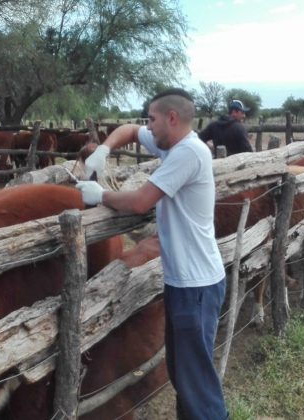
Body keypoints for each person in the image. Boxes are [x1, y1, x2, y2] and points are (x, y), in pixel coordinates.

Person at [75, 88, 228, 420]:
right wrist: (104, 148)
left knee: (196, 383)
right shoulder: (171, 144)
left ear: (172, 118)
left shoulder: (188, 153)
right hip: (185, 282)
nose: (149, 125)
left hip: (195, 285)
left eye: (153, 119)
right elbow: (129, 131)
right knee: (184, 374)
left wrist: (100, 195)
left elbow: (141, 201)